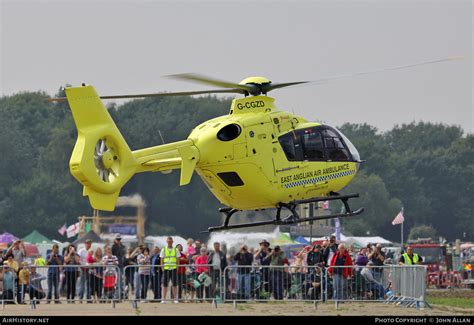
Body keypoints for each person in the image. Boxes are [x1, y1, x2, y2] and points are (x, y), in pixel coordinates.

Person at [160, 236, 180, 303]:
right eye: (168, 241)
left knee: (174, 284)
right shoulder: (164, 249)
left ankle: (175, 299)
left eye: (170, 241)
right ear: (167, 242)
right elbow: (161, 259)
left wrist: (177, 268)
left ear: (172, 242)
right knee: (165, 284)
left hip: (174, 268)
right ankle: (163, 299)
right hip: (166, 268)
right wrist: (162, 268)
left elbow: (178, 259)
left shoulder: (176, 249)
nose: (169, 242)